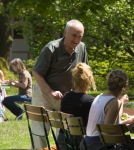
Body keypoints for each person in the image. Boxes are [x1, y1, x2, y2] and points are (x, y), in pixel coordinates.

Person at [31, 19, 88, 148]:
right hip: (44, 94)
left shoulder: (82, 48)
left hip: (65, 97)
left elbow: (83, 73)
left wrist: (81, 96)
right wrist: (50, 92)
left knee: (63, 133)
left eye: (80, 36)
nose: (77, 40)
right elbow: (36, 72)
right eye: (74, 35)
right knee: (40, 133)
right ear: (65, 32)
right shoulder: (52, 48)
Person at [84, 70, 134, 148]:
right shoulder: (113, 102)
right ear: (125, 86)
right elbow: (108, 132)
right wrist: (129, 127)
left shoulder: (100, 96)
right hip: (99, 145)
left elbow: (111, 125)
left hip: (88, 142)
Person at [57, 63, 96, 150]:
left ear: (73, 79)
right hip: (80, 143)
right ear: (90, 80)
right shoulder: (90, 101)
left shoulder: (66, 97)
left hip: (63, 140)